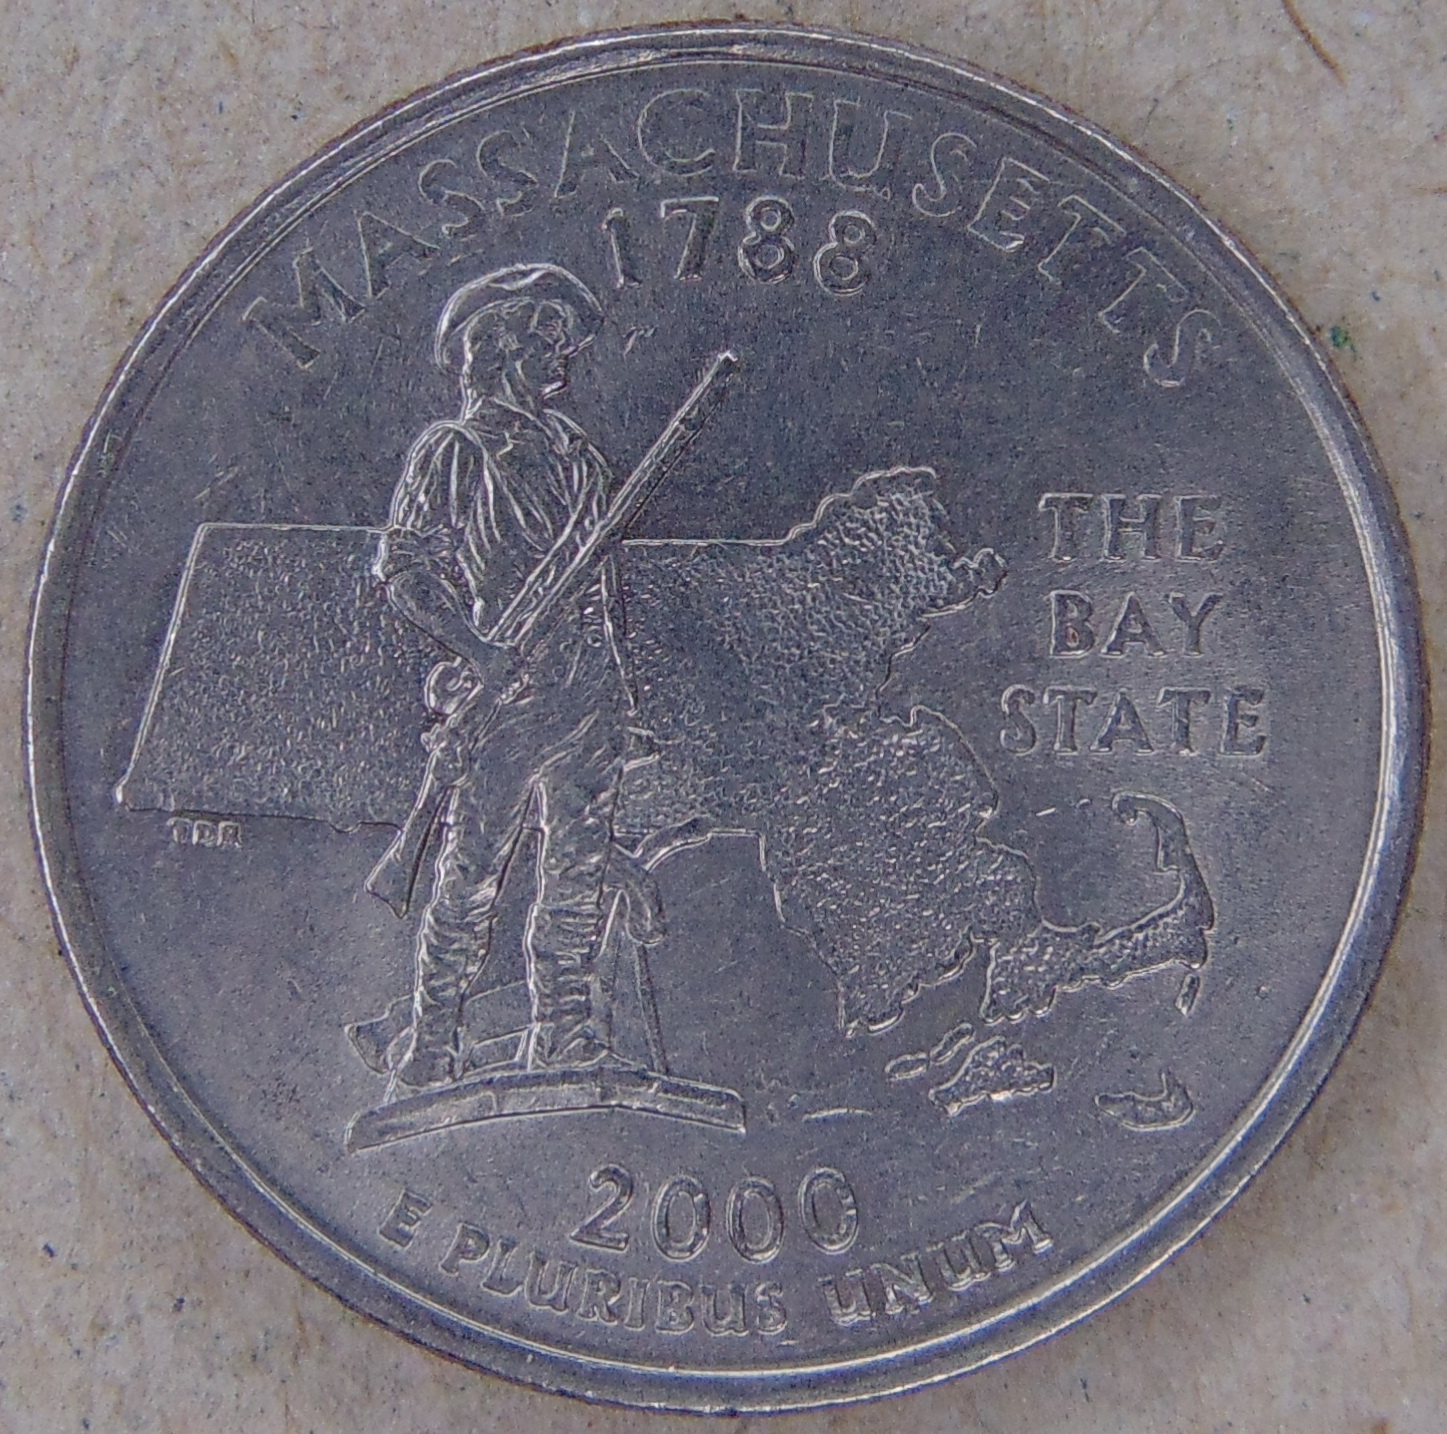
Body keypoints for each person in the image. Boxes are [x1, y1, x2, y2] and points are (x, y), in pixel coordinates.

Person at [370, 263, 646, 1090]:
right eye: (545, 340)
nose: (562, 355)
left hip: (586, 696)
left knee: (578, 875)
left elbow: (600, 590)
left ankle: (563, 1031)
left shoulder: (580, 457)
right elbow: (407, 572)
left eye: (562, 341)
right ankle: (433, 1039)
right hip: (505, 700)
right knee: (470, 875)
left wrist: (616, 690)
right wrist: (478, 653)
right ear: (496, 348)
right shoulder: (453, 451)